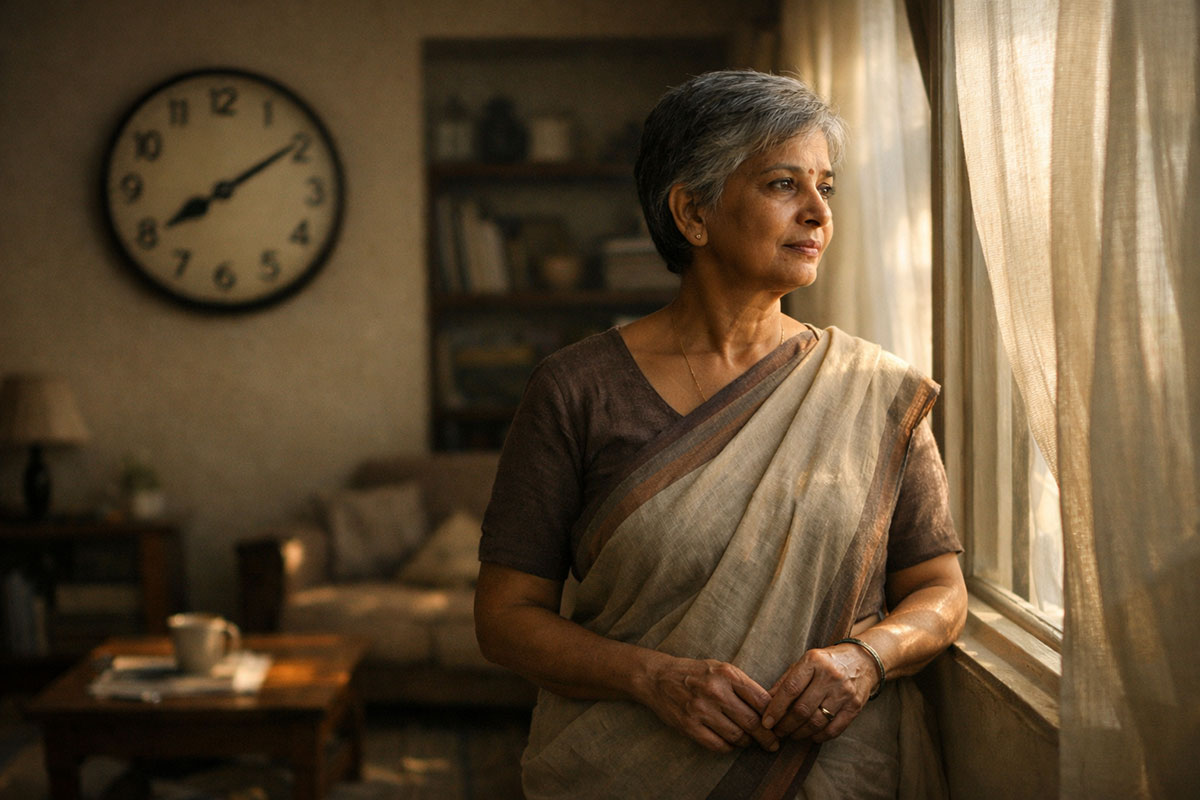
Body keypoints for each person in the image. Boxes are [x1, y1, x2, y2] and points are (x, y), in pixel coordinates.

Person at [473, 70, 967, 800]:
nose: (816, 215)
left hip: (827, 775)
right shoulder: (577, 389)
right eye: (781, 185)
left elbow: (939, 589)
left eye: (825, 188)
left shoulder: (874, 391)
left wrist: (867, 659)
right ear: (692, 212)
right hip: (624, 772)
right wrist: (651, 677)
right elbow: (505, 618)